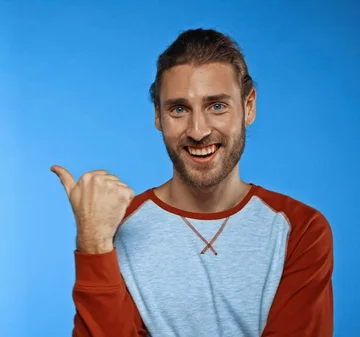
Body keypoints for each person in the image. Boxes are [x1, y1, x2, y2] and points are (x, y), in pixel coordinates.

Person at [51, 28, 334, 337]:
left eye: (217, 106)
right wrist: (93, 245)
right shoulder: (115, 228)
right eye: (179, 109)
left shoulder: (301, 229)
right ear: (158, 116)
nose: (198, 131)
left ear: (249, 106)